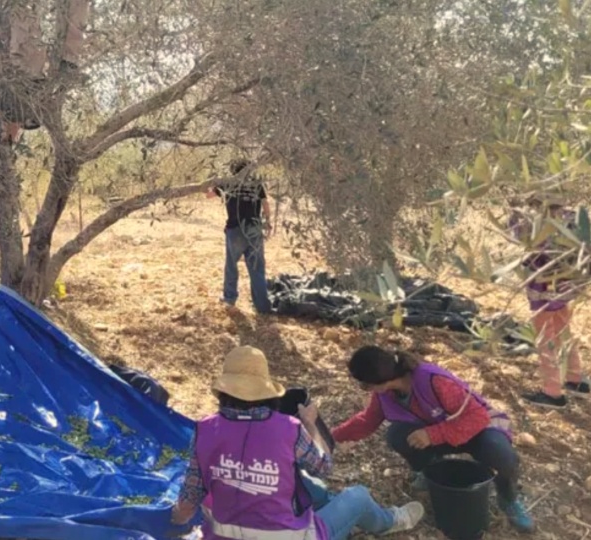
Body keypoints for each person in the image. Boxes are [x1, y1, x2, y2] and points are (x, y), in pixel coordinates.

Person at [171, 346, 425, 540]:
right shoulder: (288, 429)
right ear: (266, 392)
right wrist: (311, 425)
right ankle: (390, 521)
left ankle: (333, 507)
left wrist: (178, 517)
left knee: (304, 483)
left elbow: (191, 493)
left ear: (224, 392)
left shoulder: (205, 429)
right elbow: (324, 466)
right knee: (357, 496)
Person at [333, 345, 535, 533]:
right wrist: (331, 436)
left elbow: (478, 417)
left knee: (500, 454)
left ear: (378, 381)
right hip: (440, 433)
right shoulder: (386, 394)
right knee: (397, 435)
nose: (364, 388)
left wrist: (432, 434)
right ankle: (430, 469)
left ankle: (509, 498)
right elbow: (367, 421)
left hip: (477, 429)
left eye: (364, 384)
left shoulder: (432, 380)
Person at [0, 0, 90, 144]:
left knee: (24, 38)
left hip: (23, 75)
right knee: (23, 32)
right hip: (21, 77)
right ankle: (4, 133)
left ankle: (68, 59)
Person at [509, 194, 588, 408]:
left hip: (543, 291)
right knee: (564, 331)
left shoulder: (536, 225)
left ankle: (553, 393)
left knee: (545, 339)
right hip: (567, 290)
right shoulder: (572, 218)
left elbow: (520, 238)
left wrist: (515, 212)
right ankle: (575, 379)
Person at [208, 159, 273, 314]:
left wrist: (213, 182)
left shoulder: (228, 183)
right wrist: (268, 222)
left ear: (232, 170)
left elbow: (209, 195)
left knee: (231, 265)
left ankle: (230, 298)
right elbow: (265, 204)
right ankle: (262, 306)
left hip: (235, 229)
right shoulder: (256, 184)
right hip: (254, 229)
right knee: (257, 268)